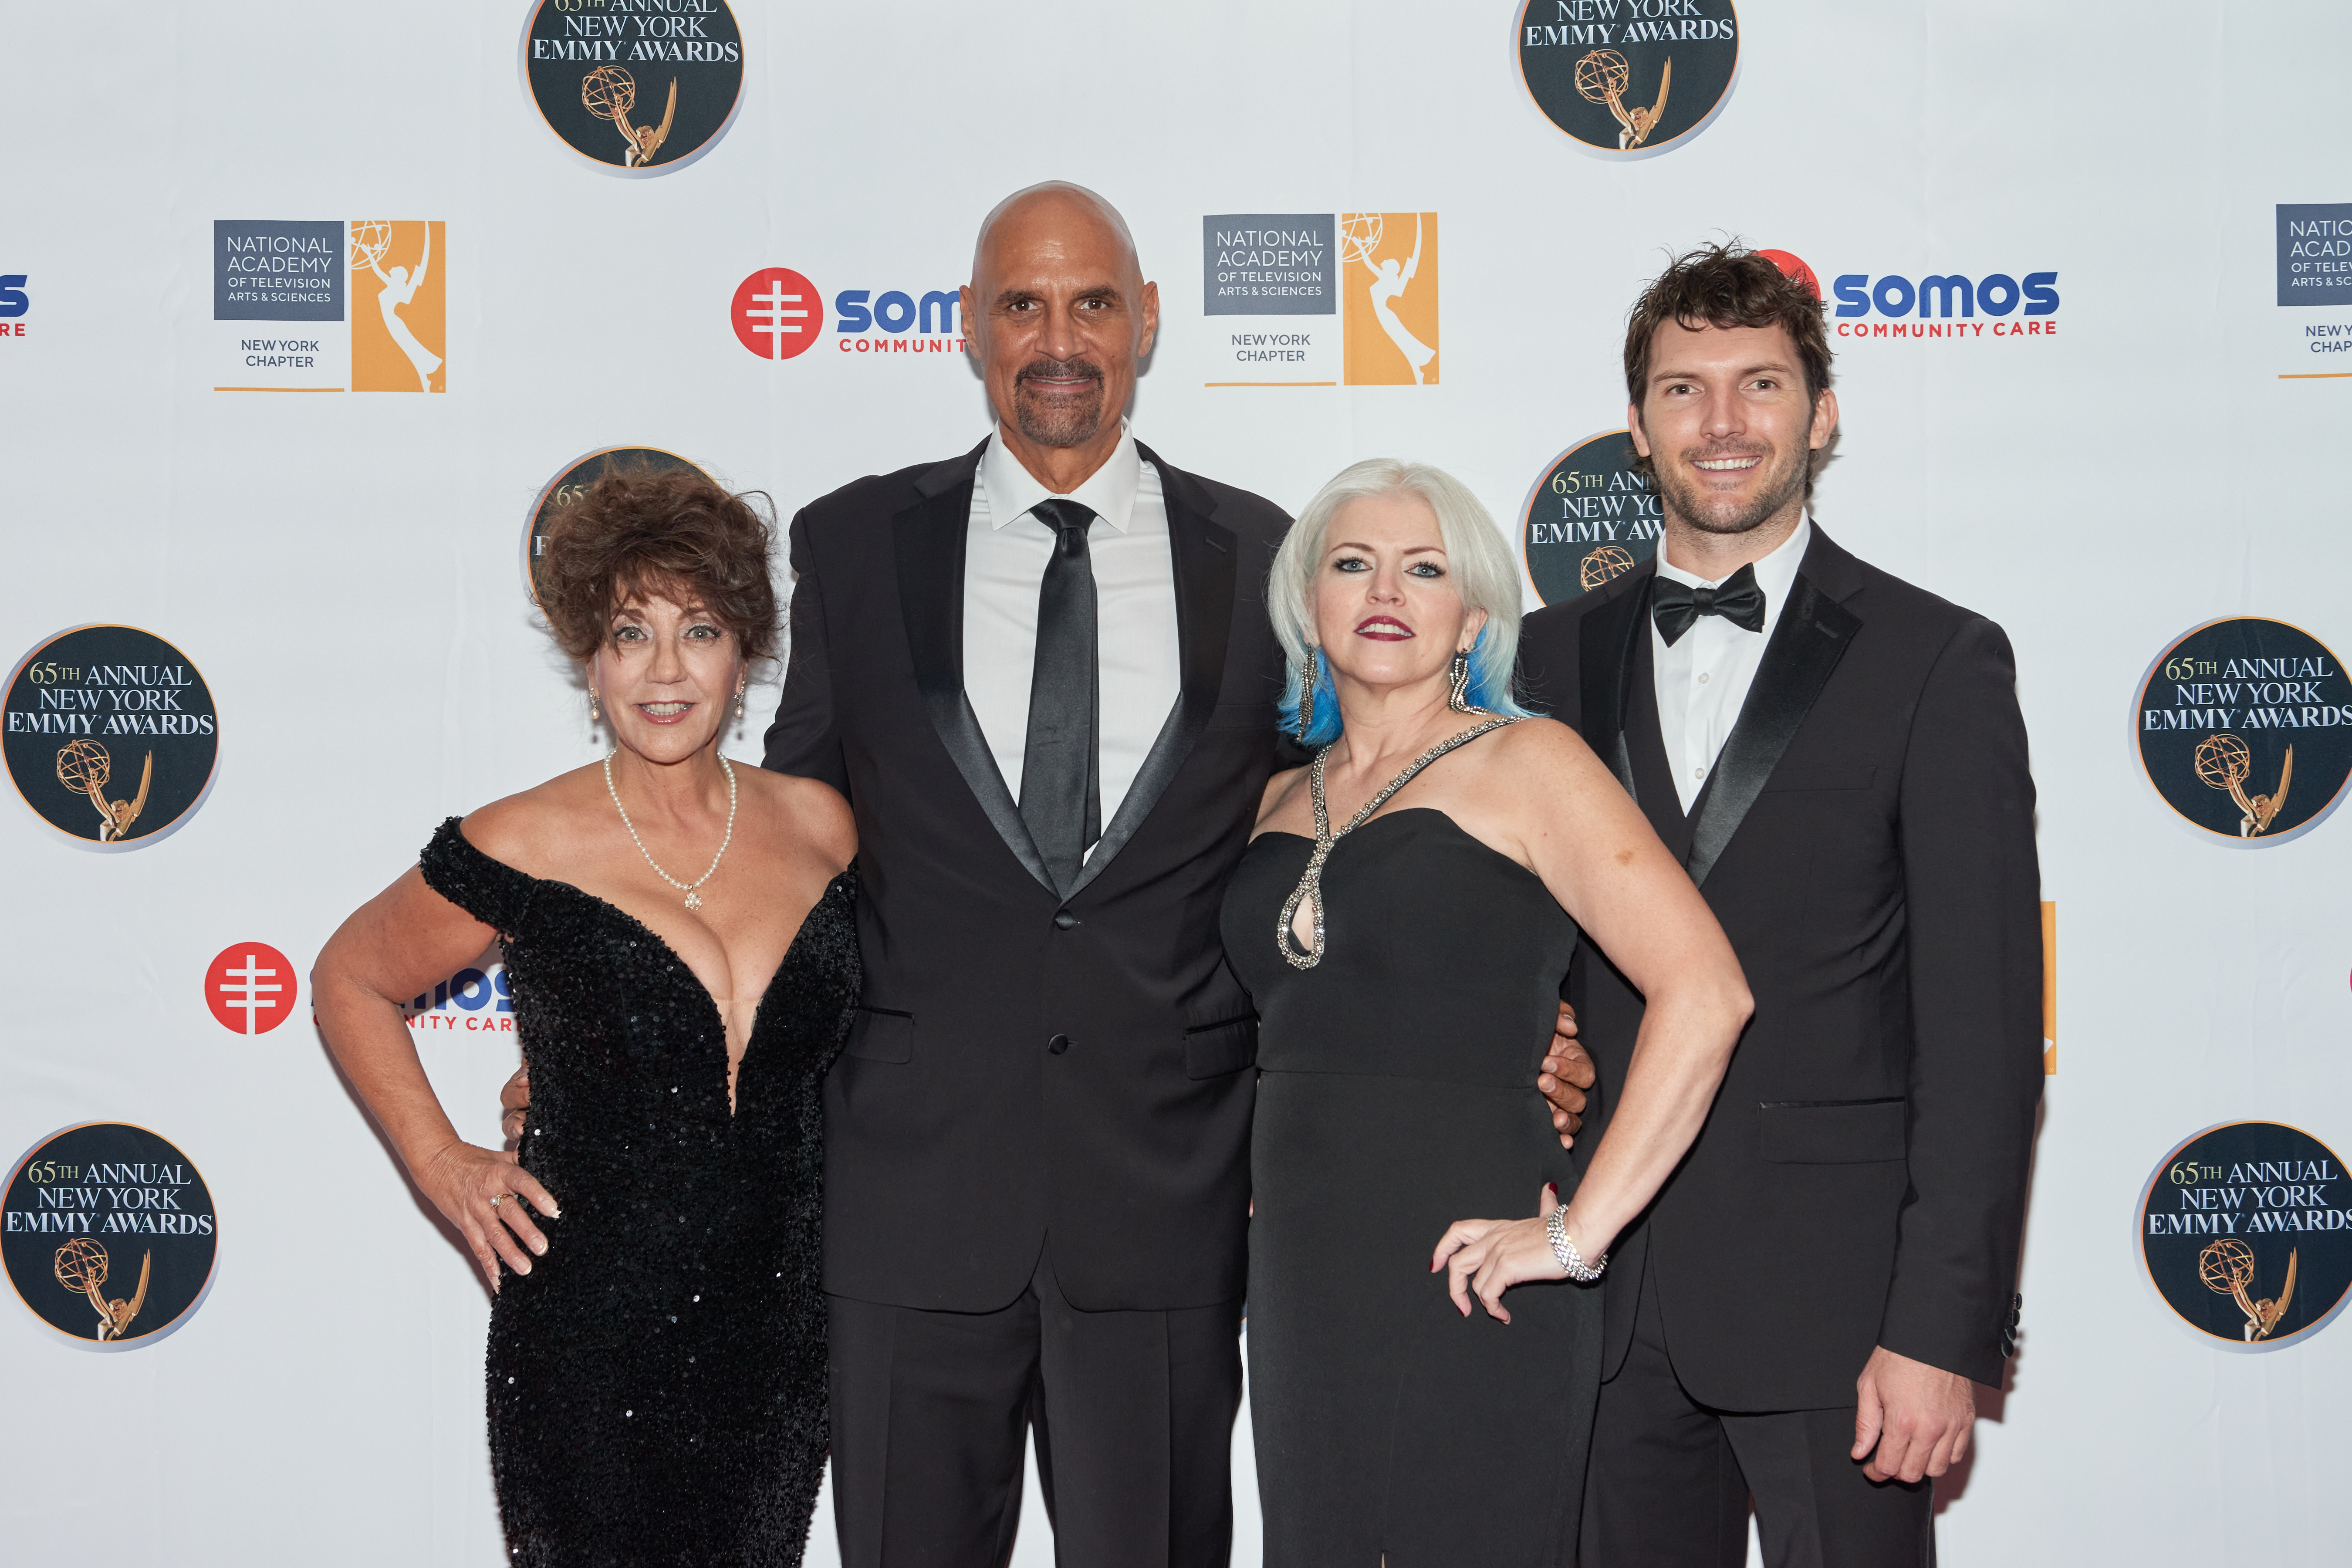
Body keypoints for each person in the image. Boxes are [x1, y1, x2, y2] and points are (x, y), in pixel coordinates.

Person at [499, 182, 1596, 1564]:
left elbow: (1350, 830)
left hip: (1171, 1198)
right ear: (969, 326)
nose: (1059, 339)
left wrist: (1507, 1023)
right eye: (1022, 304)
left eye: (1093, 304)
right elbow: (779, 844)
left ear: (1149, 322)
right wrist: (628, 1039)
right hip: (907, 1201)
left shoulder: (1267, 557)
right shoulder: (853, 543)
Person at [1520, 243, 2044, 1565]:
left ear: (1822, 415)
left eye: (1760, 384)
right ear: (1637, 426)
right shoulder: (1544, 657)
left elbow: (1983, 1039)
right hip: (1606, 1300)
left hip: (1845, 1317)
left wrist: (1939, 1331)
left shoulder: (1937, 659)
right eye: (1683, 389)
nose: (1723, 422)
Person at [314, 467, 858, 1567]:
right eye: (629, 634)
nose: (666, 671)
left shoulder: (822, 827)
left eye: (699, 631)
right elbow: (349, 977)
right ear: (590, 660)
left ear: (744, 651)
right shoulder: (522, 841)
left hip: (781, 1325)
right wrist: (443, 1162)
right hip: (588, 1328)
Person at [1220, 459, 1752, 1565]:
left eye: (1426, 569)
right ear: (1307, 606)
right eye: (1353, 563)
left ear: (1472, 619)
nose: (1387, 591)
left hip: (1473, 1261)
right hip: (1304, 1275)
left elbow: (1707, 990)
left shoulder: (1529, 763)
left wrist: (1577, 1236)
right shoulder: (1274, 796)